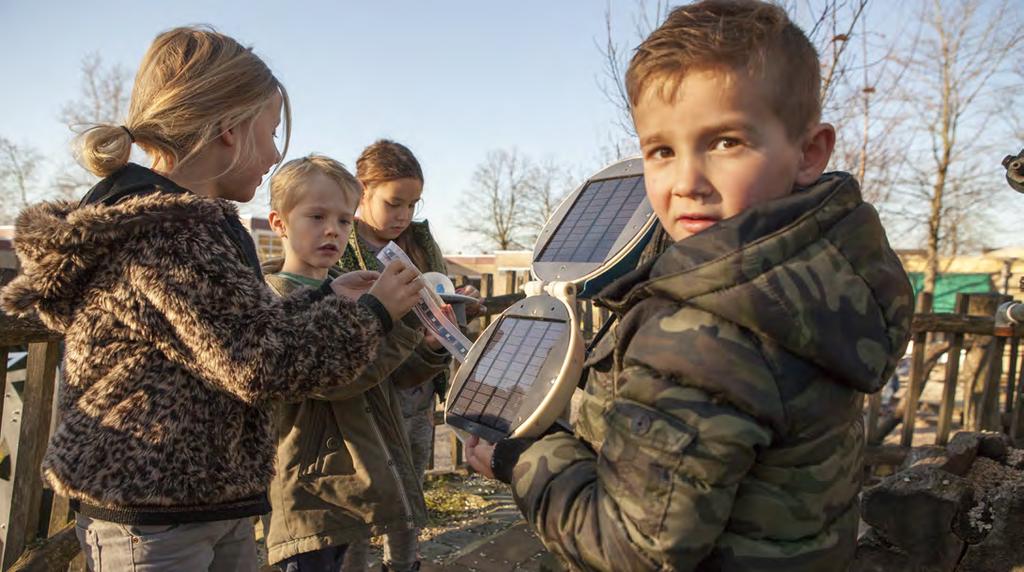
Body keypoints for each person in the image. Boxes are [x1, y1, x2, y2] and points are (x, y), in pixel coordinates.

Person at [466, 1, 914, 570]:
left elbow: (632, 548)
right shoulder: (817, 279)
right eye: (661, 150)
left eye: (725, 142)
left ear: (809, 152)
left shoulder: (706, 331)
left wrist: (527, 457)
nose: (686, 182)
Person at [0, 27, 421, 571]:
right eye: (270, 133)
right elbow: (255, 362)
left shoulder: (189, 225)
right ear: (229, 129)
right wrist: (373, 314)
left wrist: (328, 299)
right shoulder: (168, 231)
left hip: (201, 498)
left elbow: (230, 333)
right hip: (152, 508)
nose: (274, 153)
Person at [261, 154, 445, 572]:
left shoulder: (345, 295)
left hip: (350, 485)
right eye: (317, 216)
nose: (333, 230)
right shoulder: (276, 301)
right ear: (279, 223)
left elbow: (387, 380)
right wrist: (391, 320)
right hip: (310, 495)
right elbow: (338, 379)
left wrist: (430, 342)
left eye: (344, 221)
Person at [340, 139, 482, 571]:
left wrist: (460, 304)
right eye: (394, 202)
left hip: (419, 394)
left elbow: (435, 296)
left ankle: (404, 565)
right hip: (371, 396)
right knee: (364, 498)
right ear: (363, 191)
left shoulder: (420, 240)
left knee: (408, 494)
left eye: (413, 204)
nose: (404, 215)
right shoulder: (342, 248)